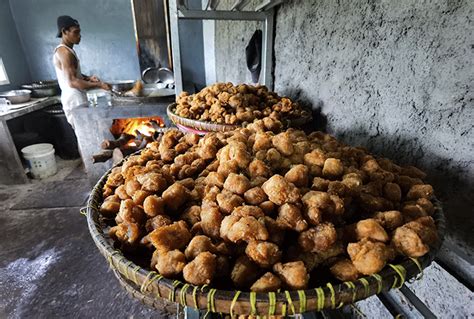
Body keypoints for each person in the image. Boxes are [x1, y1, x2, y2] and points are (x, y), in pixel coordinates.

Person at [53, 15, 110, 126]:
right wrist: (99, 84)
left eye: (79, 32)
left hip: (77, 96)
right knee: (85, 134)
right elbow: (73, 81)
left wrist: (87, 78)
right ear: (64, 31)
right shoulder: (64, 52)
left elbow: (72, 73)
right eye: (76, 32)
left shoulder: (68, 51)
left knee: (88, 132)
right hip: (74, 99)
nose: (79, 36)